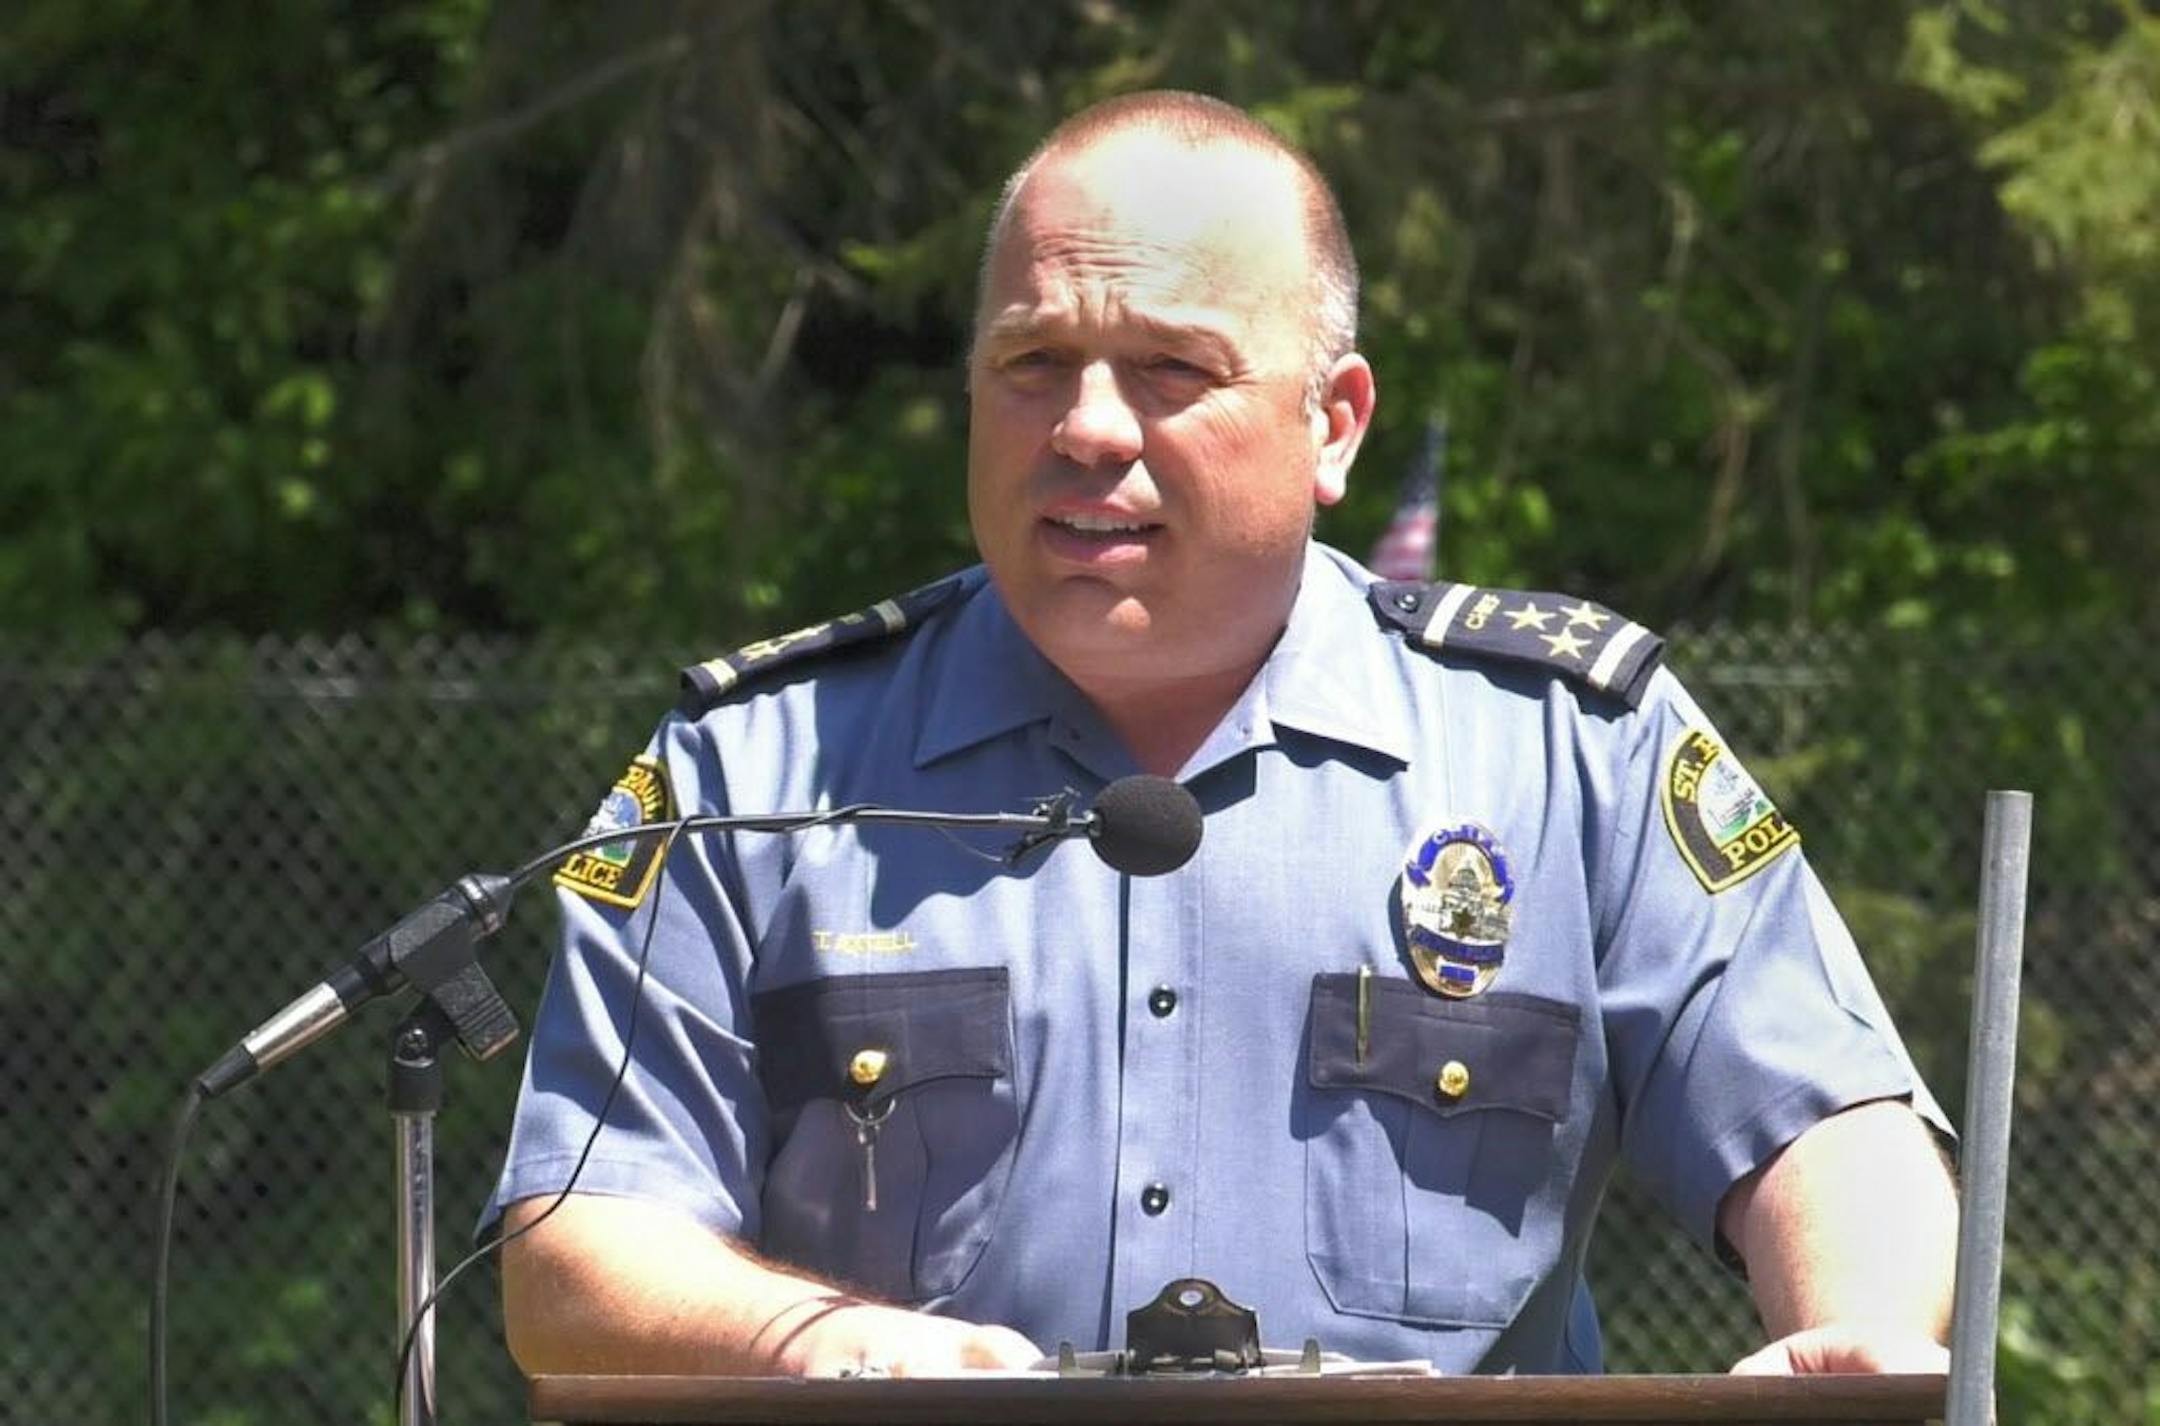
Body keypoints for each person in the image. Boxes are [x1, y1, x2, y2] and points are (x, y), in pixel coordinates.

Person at [486, 90, 1957, 1380]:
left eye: (1171, 371)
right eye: (1033, 362)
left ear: (1335, 425)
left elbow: (1825, 1120)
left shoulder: (1567, 750)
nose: (1087, 426)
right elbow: (577, 1246)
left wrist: (1859, 1331)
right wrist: (835, 1344)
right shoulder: (757, 773)